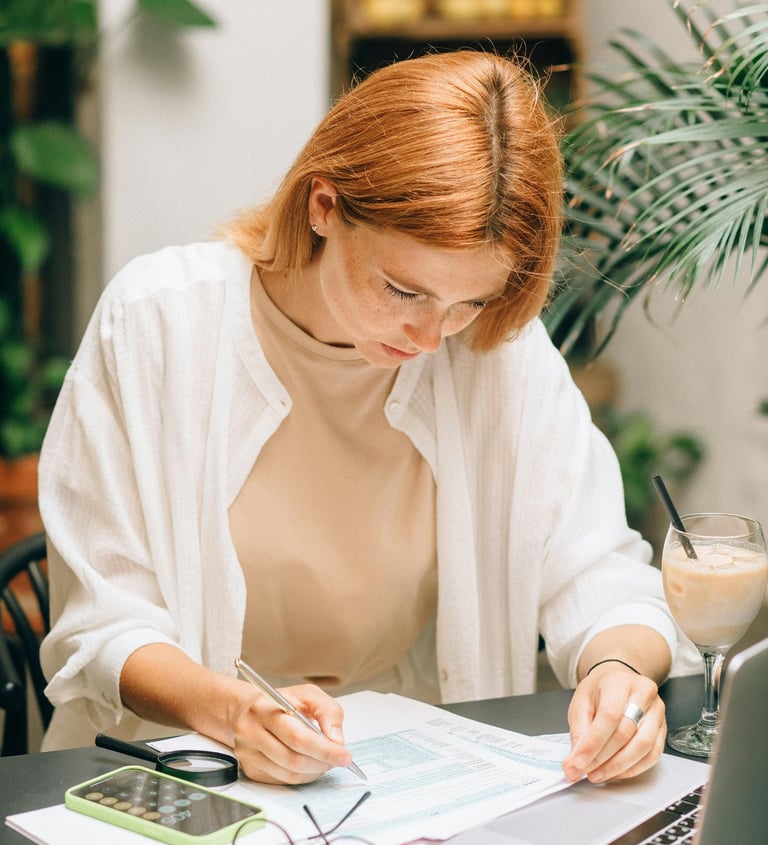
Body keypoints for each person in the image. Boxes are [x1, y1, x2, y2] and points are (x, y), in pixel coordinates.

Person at [38, 49, 697, 787]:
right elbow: (103, 624)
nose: (428, 336)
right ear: (323, 206)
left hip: (402, 775)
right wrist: (235, 714)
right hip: (180, 766)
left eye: (470, 301)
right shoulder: (157, 323)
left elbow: (597, 565)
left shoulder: (492, 351)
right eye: (403, 289)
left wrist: (618, 669)